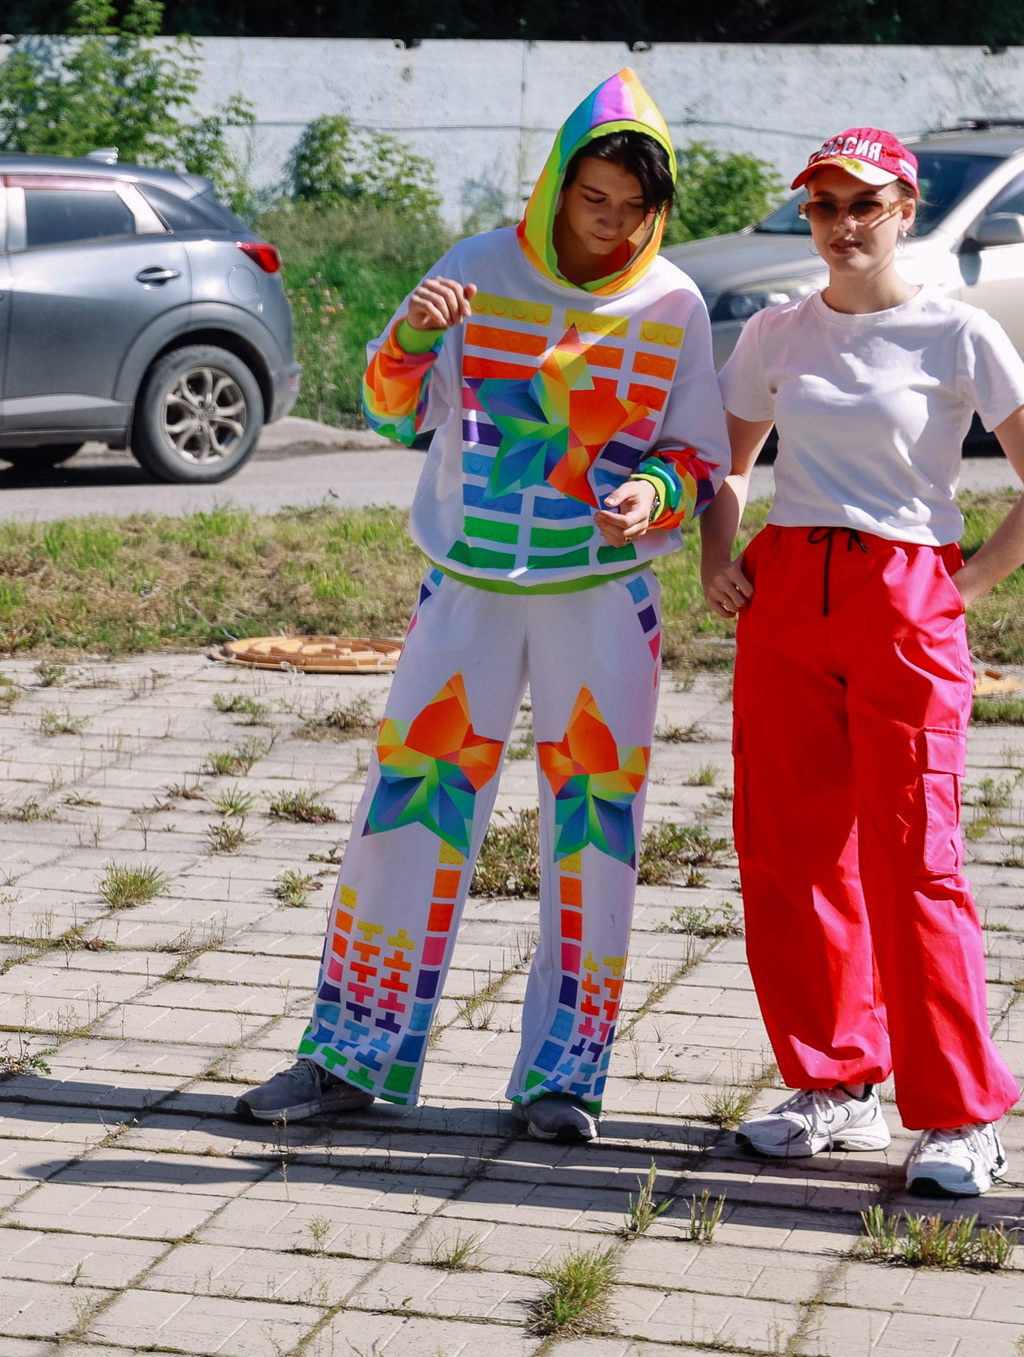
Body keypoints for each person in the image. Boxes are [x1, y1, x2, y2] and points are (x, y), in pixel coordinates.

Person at [236, 70, 727, 1141]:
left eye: (631, 210)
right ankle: (349, 1059)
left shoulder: (674, 303)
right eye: (591, 198)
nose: (608, 225)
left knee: (595, 830)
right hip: (464, 591)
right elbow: (381, 406)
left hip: (600, 599)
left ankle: (564, 1078)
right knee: (405, 808)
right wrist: (412, 335)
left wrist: (660, 492)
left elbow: (700, 455)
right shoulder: (472, 268)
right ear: (556, 184)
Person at [702, 128, 1024, 1198]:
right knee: (789, 855)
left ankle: (961, 1117)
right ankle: (836, 1086)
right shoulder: (776, 331)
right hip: (786, 599)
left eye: (862, 204)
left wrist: (952, 597)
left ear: (904, 209)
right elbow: (724, 466)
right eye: (822, 207)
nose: (841, 225)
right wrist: (717, 554)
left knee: (915, 866)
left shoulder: (958, 334)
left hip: (903, 600)